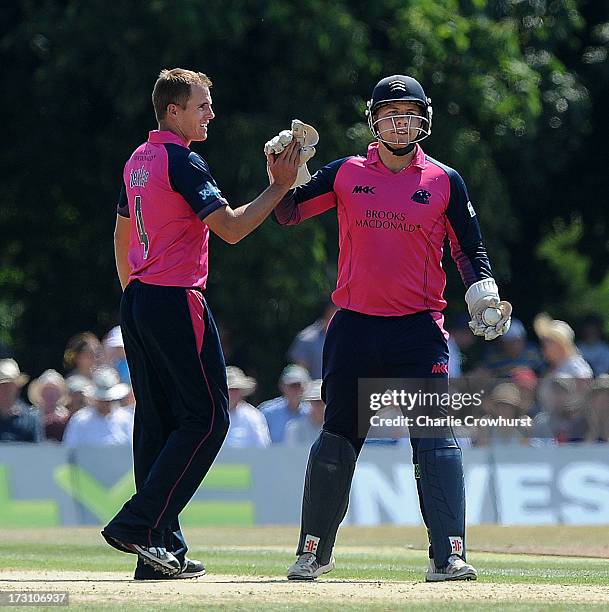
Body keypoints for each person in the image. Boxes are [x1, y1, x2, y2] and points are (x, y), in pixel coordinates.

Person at [270, 75, 512, 582]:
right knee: (338, 438)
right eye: (390, 112)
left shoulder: (444, 179)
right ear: (373, 120)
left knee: (434, 437)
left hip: (418, 331)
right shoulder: (345, 172)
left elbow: (470, 250)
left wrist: (483, 289)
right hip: (355, 328)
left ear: (424, 119)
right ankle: (313, 551)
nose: (400, 122)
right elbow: (288, 214)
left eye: (409, 112)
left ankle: (448, 555)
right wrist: (287, 172)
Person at [102, 67, 300, 579]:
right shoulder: (181, 159)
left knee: (157, 423)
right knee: (209, 419)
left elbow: (123, 233)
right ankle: (141, 524)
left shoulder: (138, 159)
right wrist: (279, 187)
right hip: (173, 297)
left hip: (140, 298)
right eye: (202, 105)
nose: (211, 113)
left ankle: (159, 552)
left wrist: (135, 293)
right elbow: (231, 228)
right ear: (174, 111)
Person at [62, 367, 133, 448]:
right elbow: (69, 449)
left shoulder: (127, 420)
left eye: (108, 400)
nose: (105, 403)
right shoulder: (80, 420)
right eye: (102, 399)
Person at [258, 364, 312, 444]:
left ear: (305, 388)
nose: (294, 390)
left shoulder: (311, 413)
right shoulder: (267, 412)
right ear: (282, 386)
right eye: (291, 386)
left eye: (298, 385)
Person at [287, 302, 338, 379]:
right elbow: (299, 375)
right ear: (327, 312)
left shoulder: (351, 339)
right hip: (313, 389)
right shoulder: (306, 339)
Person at [224, 366, 271, 448]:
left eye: (237, 389)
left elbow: (262, 446)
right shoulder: (211, 415)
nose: (233, 393)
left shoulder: (253, 416)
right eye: (230, 389)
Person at [0, 359, 42, 443]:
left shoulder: (30, 419)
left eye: (9, 386)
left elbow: (35, 452)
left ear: (17, 388)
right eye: (2, 386)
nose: (5, 390)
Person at [27, 369, 71, 442]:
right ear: (40, 393)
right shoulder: (30, 416)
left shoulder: (66, 417)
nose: (50, 394)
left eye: (54, 391)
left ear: (60, 393)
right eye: (47, 390)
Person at [285, 379, 325, 446]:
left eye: (322, 402)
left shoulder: (334, 428)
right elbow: (290, 453)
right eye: (316, 401)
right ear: (310, 403)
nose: (319, 405)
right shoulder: (295, 428)